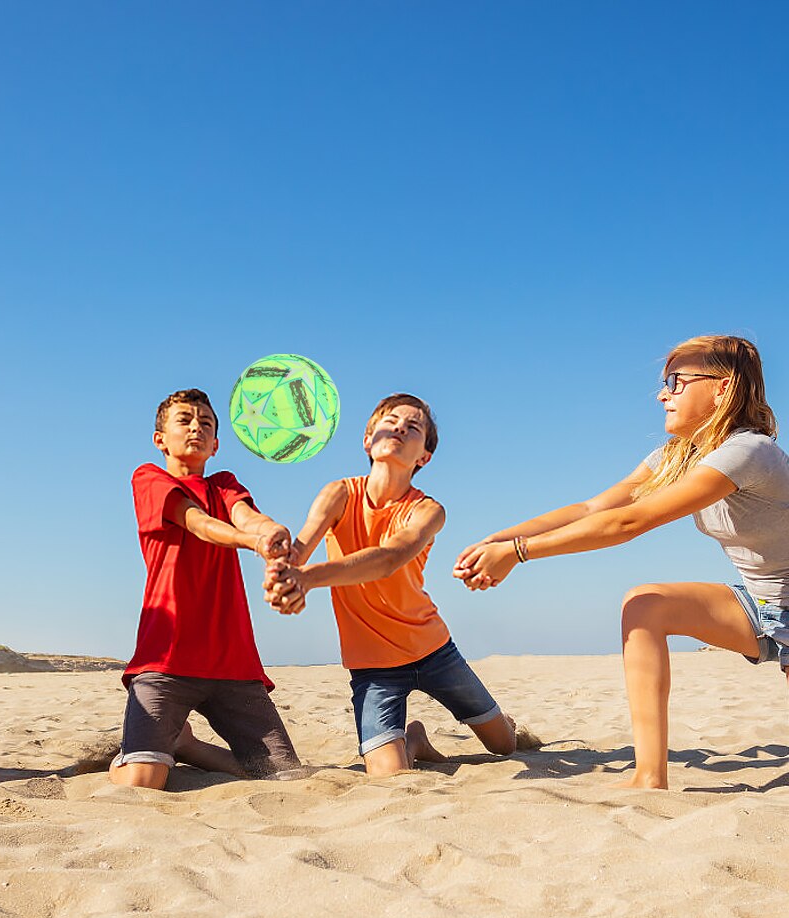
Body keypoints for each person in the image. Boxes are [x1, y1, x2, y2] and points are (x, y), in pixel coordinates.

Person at [453, 334, 787, 790]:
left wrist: (517, 554)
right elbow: (597, 508)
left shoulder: (749, 451)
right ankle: (650, 778)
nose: (662, 394)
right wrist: (505, 537)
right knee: (645, 604)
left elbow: (631, 522)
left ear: (723, 388)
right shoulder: (676, 458)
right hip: (765, 608)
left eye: (677, 380)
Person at [264, 394, 517, 775]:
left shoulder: (427, 510)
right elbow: (299, 551)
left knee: (504, 746)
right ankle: (414, 738)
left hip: (433, 651)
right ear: (368, 439)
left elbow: (389, 559)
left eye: (413, 427)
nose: (399, 426)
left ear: (423, 457)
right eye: (391, 420)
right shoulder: (338, 494)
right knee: (389, 776)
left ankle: (490, 726)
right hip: (372, 667)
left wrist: (307, 579)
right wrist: (281, 568)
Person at [110, 388, 302, 789]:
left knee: (288, 778)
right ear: (160, 438)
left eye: (206, 423)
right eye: (184, 420)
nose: (196, 426)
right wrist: (252, 542)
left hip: (233, 664)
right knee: (142, 784)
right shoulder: (149, 477)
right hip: (165, 660)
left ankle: (187, 747)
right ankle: (144, 751)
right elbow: (197, 522)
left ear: (216, 445)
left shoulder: (224, 483)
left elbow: (247, 516)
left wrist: (270, 532)